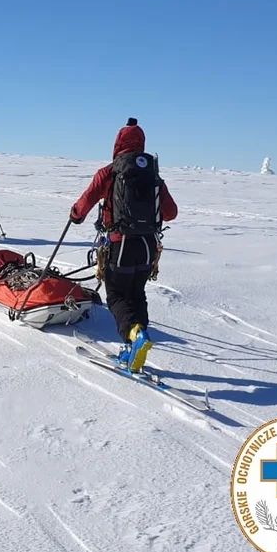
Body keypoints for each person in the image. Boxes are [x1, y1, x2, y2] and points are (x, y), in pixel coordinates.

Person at [68, 118, 178, 373]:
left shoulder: (110, 172)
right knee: (137, 294)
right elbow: (171, 213)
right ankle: (134, 344)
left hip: (120, 245)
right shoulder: (154, 176)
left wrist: (75, 215)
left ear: (118, 144)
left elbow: (84, 202)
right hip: (148, 247)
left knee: (117, 295)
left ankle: (134, 335)